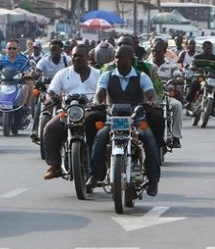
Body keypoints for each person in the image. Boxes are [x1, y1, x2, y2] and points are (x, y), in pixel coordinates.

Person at [86, 45, 161, 196]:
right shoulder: (107, 76)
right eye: (116, 57)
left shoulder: (142, 77)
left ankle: (153, 180)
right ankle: (94, 175)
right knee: (100, 137)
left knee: (149, 139)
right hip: (114, 120)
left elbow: (152, 94)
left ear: (131, 59)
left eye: (121, 57)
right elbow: (99, 94)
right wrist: (97, 103)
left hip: (136, 120)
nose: (117, 60)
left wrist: (153, 102)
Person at [42, 45, 100, 179]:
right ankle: (55, 166)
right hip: (68, 112)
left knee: (103, 132)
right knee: (50, 128)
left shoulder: (98, 74)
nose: (77, 58)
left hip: (91, 112)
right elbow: (51, 92)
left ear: (88, 57)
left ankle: (104, 164)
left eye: (80, 56)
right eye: (74, 56)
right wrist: (49, 99)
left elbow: (105, 92)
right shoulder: (63, 74)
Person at [29, 39, 71, 142]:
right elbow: (38, 71)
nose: (53, 52)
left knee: (68, 106)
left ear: (61, 50)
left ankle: (68, 129)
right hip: (48, 87)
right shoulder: (44, 60)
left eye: (55, 50)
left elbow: (72, 71)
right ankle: (35, 131)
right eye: (51, 50)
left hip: (62, 88)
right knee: (40, 103)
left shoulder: (67, 60)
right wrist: (34, 75)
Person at [148, 39, 183, 148]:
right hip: (150, 97)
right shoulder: (147, 65)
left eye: (157, 51)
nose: (155, 53)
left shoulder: (171, 64)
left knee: (178, 105)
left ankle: (176, 137)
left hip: (166, 96)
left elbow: (178, 75)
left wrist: (178, 80)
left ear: (164, 52)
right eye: (153, 50)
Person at [184, 40, 215, 117]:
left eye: (210, 48)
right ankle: (189, 103)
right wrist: (194, 68)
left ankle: (213, 107)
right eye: (207, 48)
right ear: (203, 48)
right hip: (200, 77)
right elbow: (192, 65)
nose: (209, 50)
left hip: (212, 77)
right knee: (194, 84)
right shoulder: (197, 57)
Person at [0, 39, 33, 110]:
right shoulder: (0, 60)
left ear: (18, 49)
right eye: (9, 48)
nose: (12, 50)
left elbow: (26, 71)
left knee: (27, 85)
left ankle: (26, 106)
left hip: (18, 82)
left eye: (14, 48)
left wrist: (26, 74)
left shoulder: (23, 60)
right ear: (6, 50)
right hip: (3, 82)